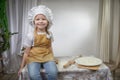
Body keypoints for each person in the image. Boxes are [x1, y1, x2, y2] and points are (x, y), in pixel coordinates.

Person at [18, 5, 58, 80]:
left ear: (48, 21)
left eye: (43, 19)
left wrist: (52, 58)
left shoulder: (49, 34)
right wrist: (21, 67)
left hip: (47, 56)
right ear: (34, 21)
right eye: (37, 19)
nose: (40, 21)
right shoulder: (31, 35)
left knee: (53, 73)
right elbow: (26, 52)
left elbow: (50, 47)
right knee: (34, 75)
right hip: (34, 58)